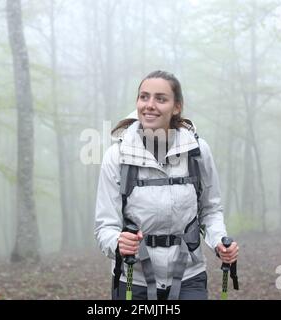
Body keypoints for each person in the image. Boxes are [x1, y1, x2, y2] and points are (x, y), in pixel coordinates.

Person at [94, 70, 239, 300]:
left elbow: (210, 210)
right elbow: (105, 226)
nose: (150, 105)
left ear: (177, 106)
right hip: (133, 278)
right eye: (144, 97)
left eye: (160, 99)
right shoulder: (117, 156)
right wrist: (118, 242)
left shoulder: (198, 152)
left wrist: (220, 241)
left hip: (190, 276)